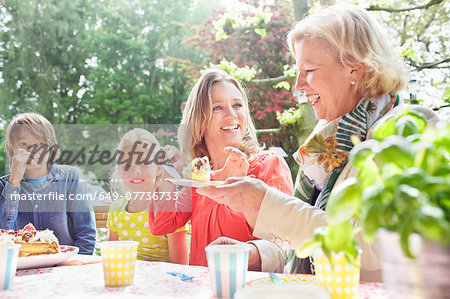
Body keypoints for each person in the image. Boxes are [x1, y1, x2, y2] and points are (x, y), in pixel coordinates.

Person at [196, 4, 438, 281]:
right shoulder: (328, 142)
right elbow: (307, 247)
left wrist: (264, 203)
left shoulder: (410, 130)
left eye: (309, 69)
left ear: (354, 70)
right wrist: (256, 253)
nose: (298, 84)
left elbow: (370, 247)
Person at [149, 68, 294, 272]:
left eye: (237, 105)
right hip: (206, 291)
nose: (232, 114)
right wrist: (168, 172)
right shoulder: (199, 180)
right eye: (217, 107)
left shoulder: (268, 165)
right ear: (199, 120)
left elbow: (284, 244)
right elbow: (162, 225)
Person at [0, 113, 96, 254]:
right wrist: (14, 183)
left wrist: (76, 265)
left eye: (39, 144)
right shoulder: (4, 185)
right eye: (23, 144)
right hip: (23, 269)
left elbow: (86, 234)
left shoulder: (71, 177)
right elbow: (4, 235)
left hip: (66, 266)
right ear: (12, 149)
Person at [107, 128, 188, 264]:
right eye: (127, 164)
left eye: (144, 163)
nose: (136, 171)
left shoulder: (170, 210)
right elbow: (113, 261)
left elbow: (180, 268)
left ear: (158, 168)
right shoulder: (116, 210)